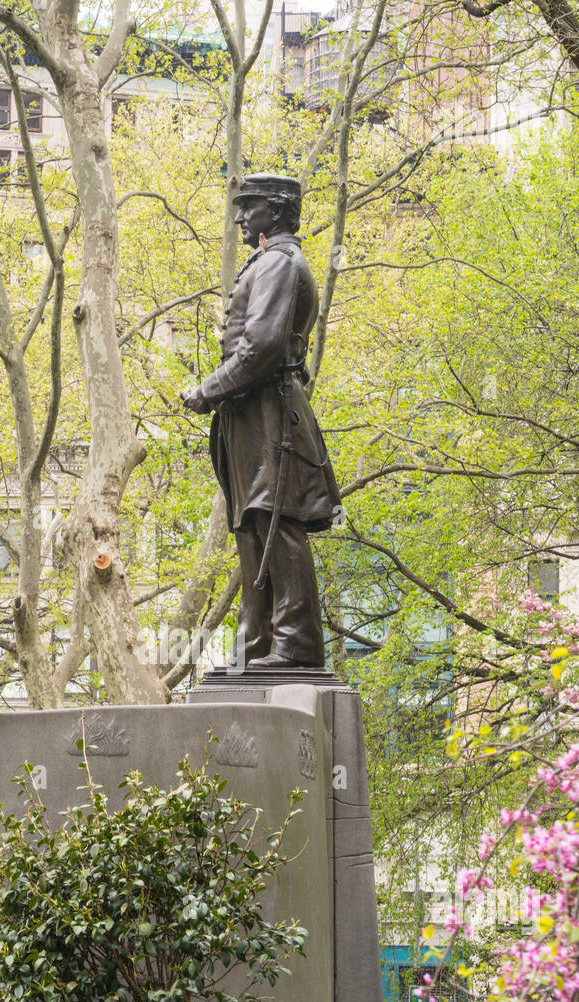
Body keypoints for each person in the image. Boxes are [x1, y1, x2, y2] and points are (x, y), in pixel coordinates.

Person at [180, 173, 340, 669]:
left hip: (269, 413)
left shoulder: (278, 262)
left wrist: (207, 389)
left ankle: (293, 642)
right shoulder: (273, 260)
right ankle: (259, 645)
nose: (239, 217)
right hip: (252, 413)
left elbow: (262, 346)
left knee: (272, 518)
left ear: (275, 209)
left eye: (248, 206)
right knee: (253, 521)